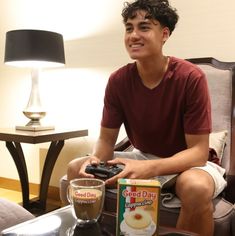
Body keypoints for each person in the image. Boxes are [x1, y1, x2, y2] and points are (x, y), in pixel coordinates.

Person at [67, 0, 226, 235]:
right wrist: (96, 160)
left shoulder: (191, 77)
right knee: (75, 168)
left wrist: (149, 169)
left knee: (195, 187)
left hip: (188, 163)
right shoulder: (118, 80)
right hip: (142, 156)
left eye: (144, 27)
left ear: (164, 34)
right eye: (129, 28)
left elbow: (198, 152)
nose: (133, 35)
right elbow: (107, 140)